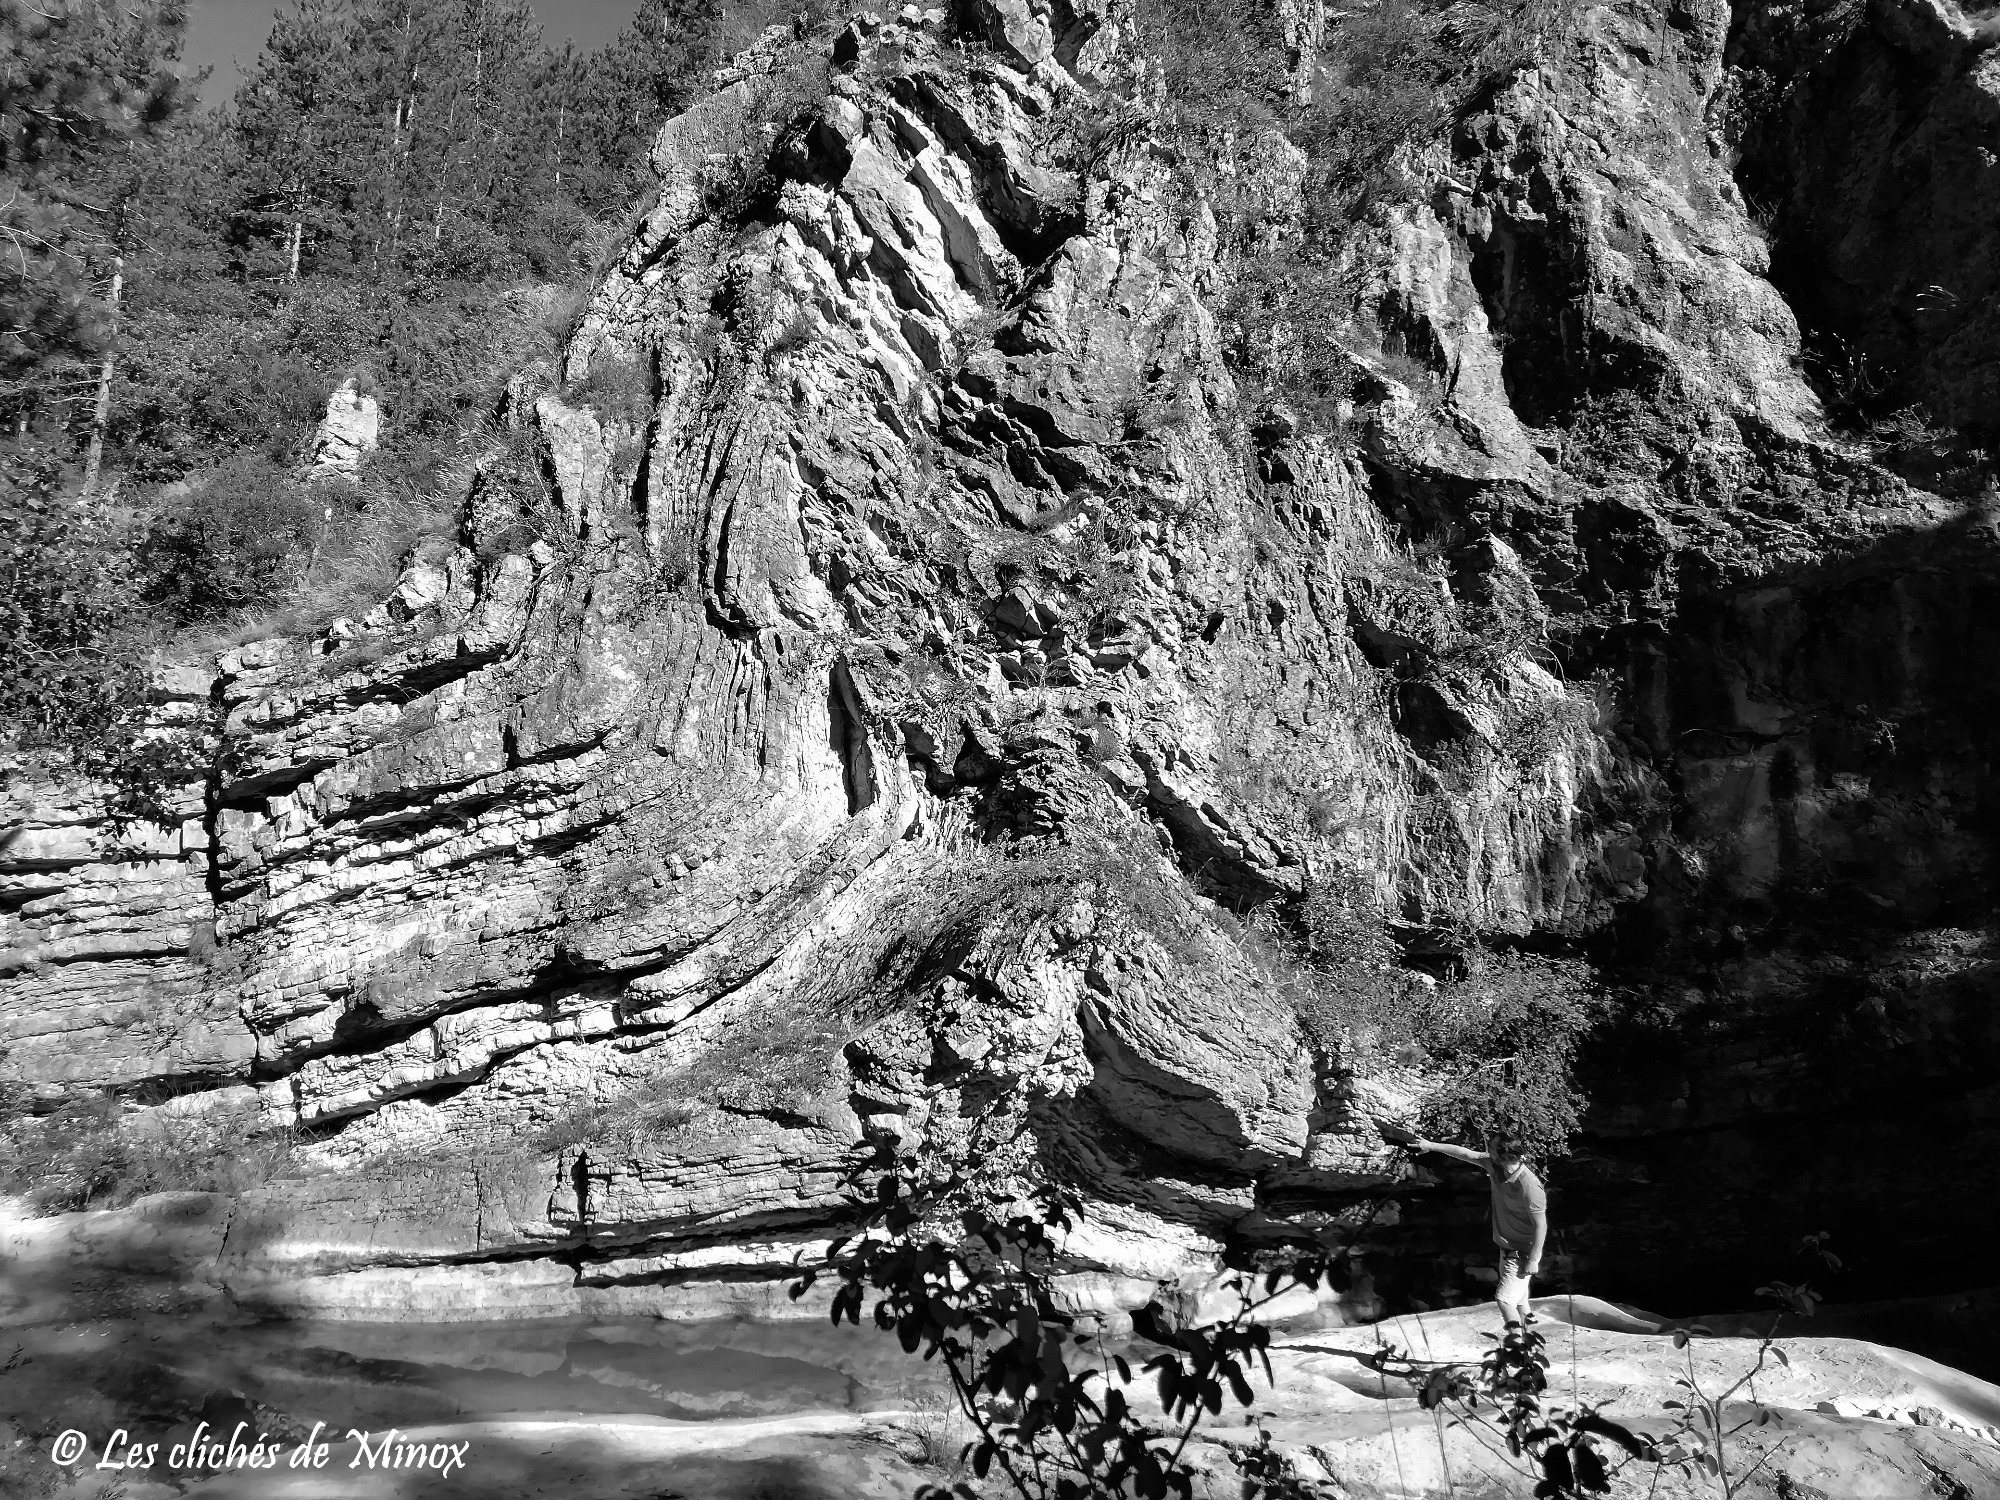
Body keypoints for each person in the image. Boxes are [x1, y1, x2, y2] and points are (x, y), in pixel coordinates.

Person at [1382, 1124, 1548, 1329]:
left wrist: (1533, 1260)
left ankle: (1515, 1341)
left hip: (1521, 1252)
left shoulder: (1530, 1187)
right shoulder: (1495, 1166)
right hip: (1507, 1247)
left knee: (1505, 1300)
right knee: (1519, 1296)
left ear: (1504, 1156)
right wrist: (1430, 1145)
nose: (1488, 1150)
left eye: (1492, 1148)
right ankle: (1530, 1329)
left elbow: (1541, 1226)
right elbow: (1467, 1154)